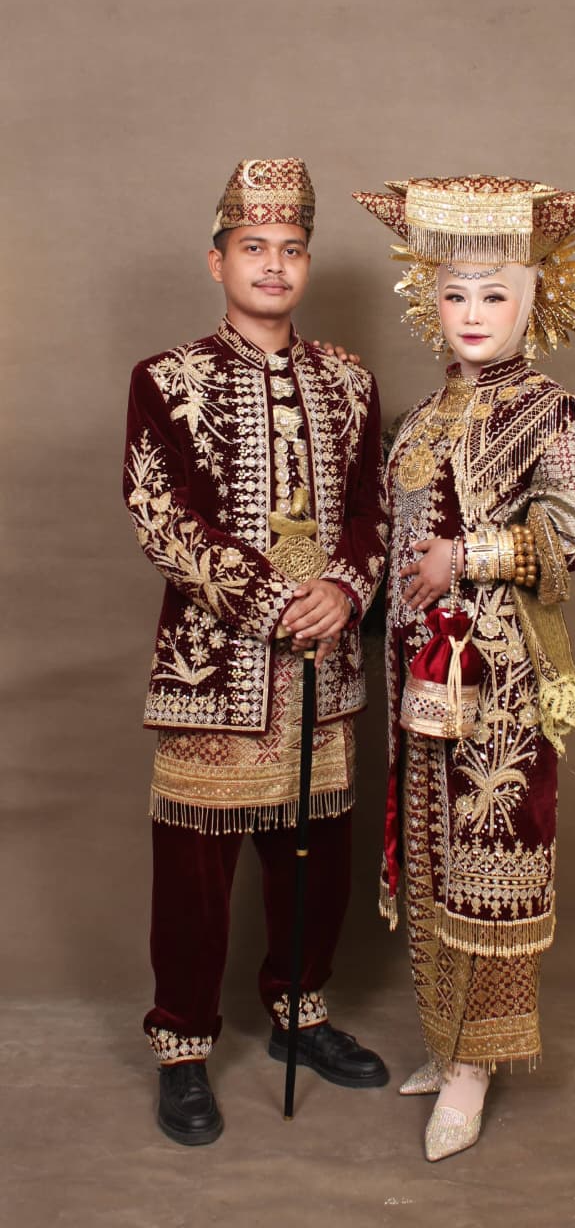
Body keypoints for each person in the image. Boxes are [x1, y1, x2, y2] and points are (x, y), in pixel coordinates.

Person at [123, 157, 388, 1145]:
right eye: (253, 247)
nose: (274, 264)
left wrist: (345, 589)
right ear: (217, 260)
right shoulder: (166, 379)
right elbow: (160, 515)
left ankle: (299, 1012)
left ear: (306, 263)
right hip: (211, 667)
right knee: (194, 873)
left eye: (291, 249)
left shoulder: (349, 381)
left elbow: (372, 510)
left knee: (311, 859)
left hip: (326, 667)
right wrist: (275, 599)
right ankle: (183, 1044)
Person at [353, 174, 575, 1161]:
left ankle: (474, 1068)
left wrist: (470, 555)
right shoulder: (424, 414)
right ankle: (445, 1039)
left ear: (532, 300)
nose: (471, 312)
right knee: (428, 851)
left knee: (489, 862)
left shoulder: (549, 409)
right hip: (419, 676)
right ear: (429, 297)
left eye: (494, 293)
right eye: (454, 292)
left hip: (500, 682)